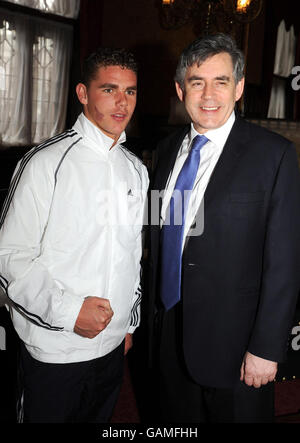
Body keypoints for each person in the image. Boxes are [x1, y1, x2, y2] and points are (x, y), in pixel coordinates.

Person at [148, 33, 300, 423]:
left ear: (240, 88)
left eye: (222, 81)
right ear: (181, 89)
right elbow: (162, 240)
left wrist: (266, 347)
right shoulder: (165, 152)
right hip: (167, 337)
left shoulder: (274, 155)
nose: (209, 94)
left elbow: (284, 262)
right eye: (198, 82)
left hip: (237, 348)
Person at [0, 47, 149, 423]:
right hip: (54, 351)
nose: (122, 102)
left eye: (130, 91)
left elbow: (131, 254)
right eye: (109, 89)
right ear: (83, 93)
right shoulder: (44, 163)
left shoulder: (136, 170)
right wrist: (70, 313)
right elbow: (8, 257)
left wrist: (126, 324)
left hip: (112, 351)